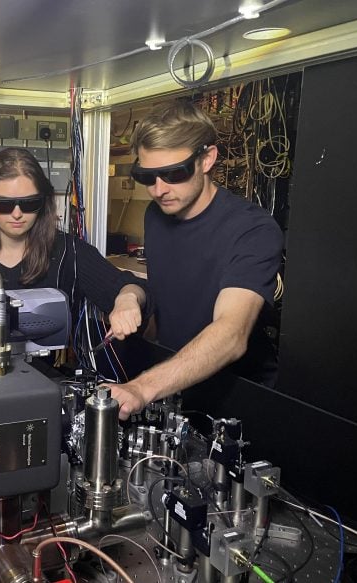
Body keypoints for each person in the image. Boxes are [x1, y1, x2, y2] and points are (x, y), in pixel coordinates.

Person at [106, 101, 283, 420]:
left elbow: (231, 334)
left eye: (174, 173)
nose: (159, 190)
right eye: (147, 176)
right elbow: (168, 296)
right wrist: (131, 301)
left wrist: (143, 388)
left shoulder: (252, 229)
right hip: (175, 386)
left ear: (207, 159)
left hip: (238, 402)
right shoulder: (156, 216)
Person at [0, 146, 147, 348]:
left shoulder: (68, 252)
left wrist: (127, 298)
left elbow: (132, 286)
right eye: (4, 204)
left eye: (28, 203)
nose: (17, 214)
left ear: (44, 202)